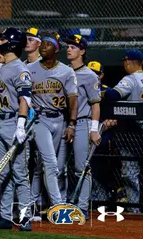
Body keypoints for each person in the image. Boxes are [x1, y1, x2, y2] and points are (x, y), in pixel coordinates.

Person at [0, 27, 32, 231]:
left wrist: (21, 124)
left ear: (11, 43)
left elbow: (25, 98)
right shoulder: (5, 66)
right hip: (0, 121)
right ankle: (5, 217)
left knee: (19, 173)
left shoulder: (21, 69)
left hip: (13, 123)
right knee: (2, 173)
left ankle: (26, 217)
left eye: (2, 39)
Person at [28, 32, 78, 214]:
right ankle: (58, 207)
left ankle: (31, 204)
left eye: (47, 44)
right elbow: (24, 96)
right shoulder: (31, 69)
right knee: (51, 163)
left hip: (59, 119)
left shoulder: (66, 71)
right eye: (42, 44)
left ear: (56, 48)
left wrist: (71, 124)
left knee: (41, 165)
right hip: (40, 120)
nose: (43, 47)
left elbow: (73, 100)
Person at [64, 34, 101, 220]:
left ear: (82, 51)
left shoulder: (89, 75)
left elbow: (96, 104)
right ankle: (60, 204)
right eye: (68, 46)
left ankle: (82, 208)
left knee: (82, 167)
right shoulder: (62, 71)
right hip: (62, 123)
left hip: (82, 123)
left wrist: (94, 129)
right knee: (58, 167)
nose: (69, 49)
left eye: (73, 46)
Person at [103, 49, 143, 213]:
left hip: (133, 133)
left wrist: (100, 90)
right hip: (136, 132)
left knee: (130, 171)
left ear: (127, 62)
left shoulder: (131, 79)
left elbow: (114, 94)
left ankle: (134, 209)